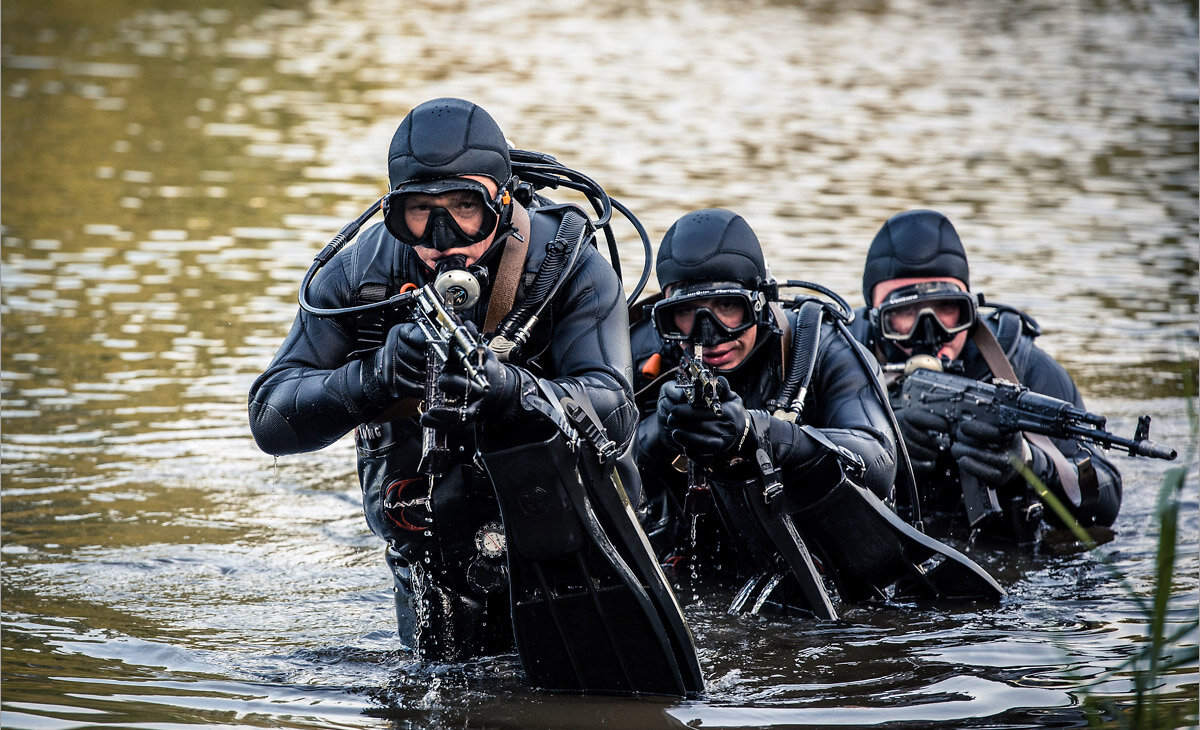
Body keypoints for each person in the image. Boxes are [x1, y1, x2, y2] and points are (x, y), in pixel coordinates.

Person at [248, 98, 702, 696]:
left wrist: (510, 390)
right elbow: (270, 416)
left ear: (504, 200)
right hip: (428, 542)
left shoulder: (569, 268)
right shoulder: (358, 276)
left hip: (573, 540)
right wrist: (374, 379)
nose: (443, 239)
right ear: (393, 213)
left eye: (465, 208)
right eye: (419, 213)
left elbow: (614, 412)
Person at [631, 209, 1003, 617]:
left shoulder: (823, 348)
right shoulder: (644, 354)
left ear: (758, 302)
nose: (708, 334)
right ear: (665, 313)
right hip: (694, 570)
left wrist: (761, 433)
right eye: (686, 313)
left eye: (726, 306)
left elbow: (879, 459)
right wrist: (657, 435)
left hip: (819, 574)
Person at [848, 208, 1122, 544]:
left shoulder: (1022, 367)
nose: (930, 332)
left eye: (948, 310)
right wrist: (878, 447)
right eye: (904, 313)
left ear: (970, 310)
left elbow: (1105, 501)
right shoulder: (844, 361)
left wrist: (1031, 464)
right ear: (876, 320)